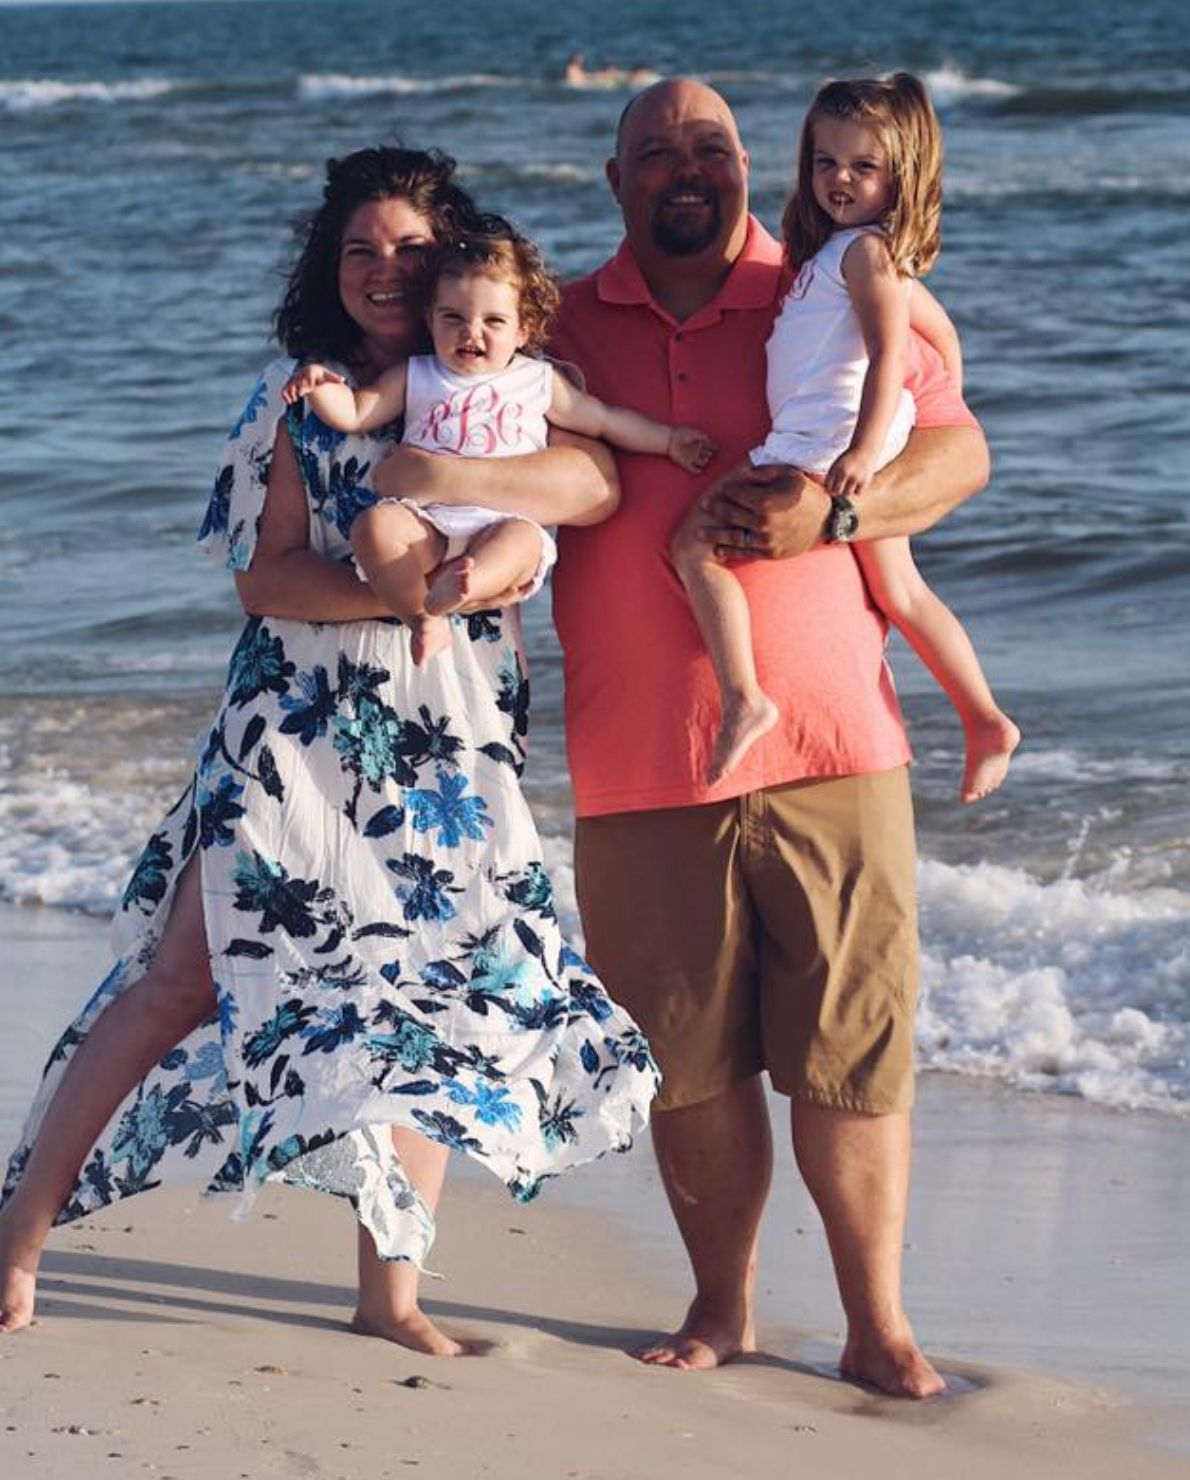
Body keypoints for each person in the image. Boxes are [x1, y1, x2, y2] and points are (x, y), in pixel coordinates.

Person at [0, 146, 658, 1354]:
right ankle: (19, 1237)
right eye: (358, 248)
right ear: (328, 266)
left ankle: (389, 1291)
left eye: (409, 247)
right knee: (179, 982)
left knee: (433, 998)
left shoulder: (498, 374)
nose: (384, 268)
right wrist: (416, 602)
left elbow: (594, 483)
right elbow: (266, 578)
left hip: (450, 745)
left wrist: (452, 487)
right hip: (293, 730)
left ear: (452, 256)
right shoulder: (295, 394)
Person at [539, 78, 988, 1398]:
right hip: (637, 764)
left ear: (755, 166)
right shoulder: (557, 323)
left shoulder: (816, 286)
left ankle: (875, 1326)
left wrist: (831, 520)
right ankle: (721, 1305)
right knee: (684, 1061)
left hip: (833, 740)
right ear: (613, 179)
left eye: (714, 145)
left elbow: (959, 456)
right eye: (657, 149)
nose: (689, 166)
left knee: (850, 1049)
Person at [669, 73, 1019, 795]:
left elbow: (894, 350)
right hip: (829, 439)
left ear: (901, 175)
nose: (839, 179)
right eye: (826, 163)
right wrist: (935, 390)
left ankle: (744, 697)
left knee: (693, 546)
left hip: (818, 447)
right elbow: (939, 331)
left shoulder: (866, 253)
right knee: (902, 589)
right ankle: (984, 718)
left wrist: (866, 448)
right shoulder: (843, 253)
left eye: (864, 167)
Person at [282, 225, 713, 664]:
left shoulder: (537, 380)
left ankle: (470, 582)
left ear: (524, 328)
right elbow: (357, 412)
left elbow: (604, 420)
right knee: (374, 528)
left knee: (520, 543)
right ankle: (422, 619)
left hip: (502, 518)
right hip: (426, 521)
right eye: (453, 318)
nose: (472, 333)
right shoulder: (418, 374)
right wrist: (319, 384)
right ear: (429, 318)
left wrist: (668, 441)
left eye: (493, 321)